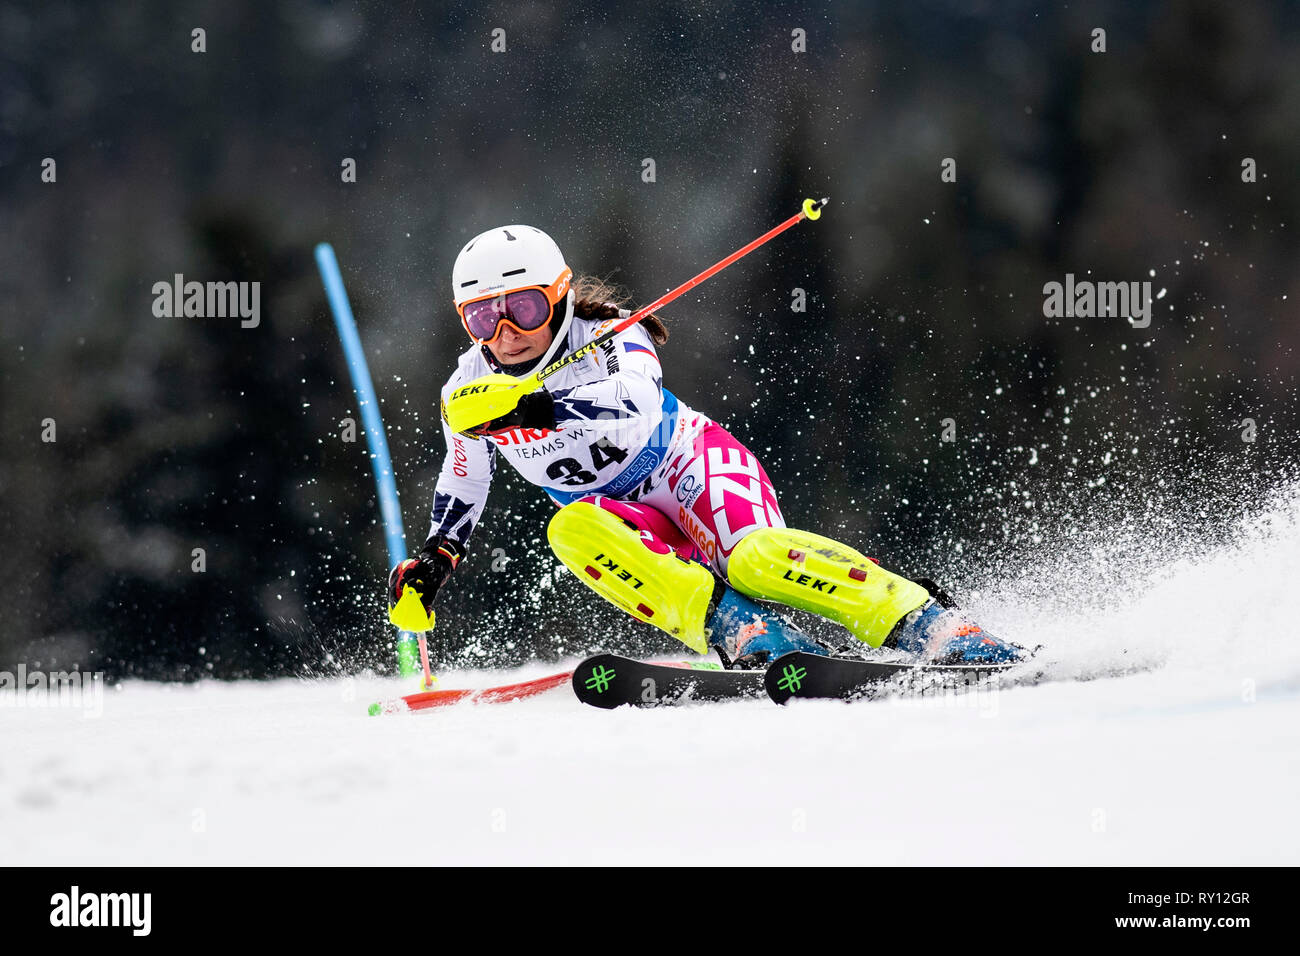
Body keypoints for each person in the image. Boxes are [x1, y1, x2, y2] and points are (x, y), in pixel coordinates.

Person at [388, 224, 1023, 668]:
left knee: (754, 561)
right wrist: (438, 557)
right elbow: (465, 471)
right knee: (571, 528)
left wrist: (540, 407)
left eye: (521, 309)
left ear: (556, 296)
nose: (504, 333)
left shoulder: (611, 334)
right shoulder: (466, 388)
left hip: (686, 465)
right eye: (480, 316)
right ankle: (743, 631)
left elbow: (634, 407)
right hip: (623, 516)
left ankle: (924, 620)